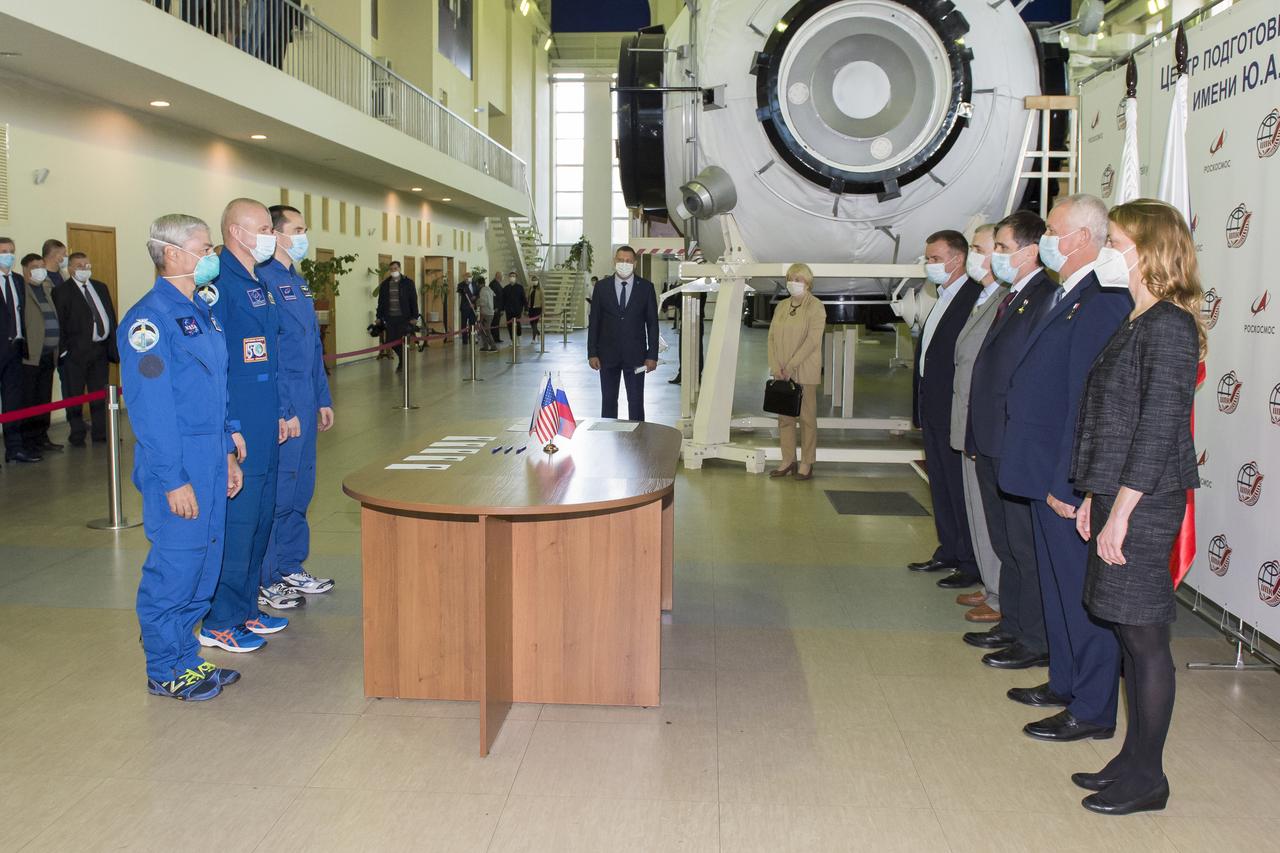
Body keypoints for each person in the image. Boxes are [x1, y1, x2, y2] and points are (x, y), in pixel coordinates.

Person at [1069, 199, 1201, 815]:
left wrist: (1121, 510)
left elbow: (1156, 428)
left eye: (1116, 241)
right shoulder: (1138, 319)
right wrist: (1096, 497)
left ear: (1147, 251)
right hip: (1122, 494)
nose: (1109, 253)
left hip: (1144, 503)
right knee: (1126, 631)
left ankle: (1150, 775)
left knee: (1145, 638)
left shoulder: (1168, 324)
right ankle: (1132, 756)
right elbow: (1112, 422)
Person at [1000, 193, 1131, 741]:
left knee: (1081, 594)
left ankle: (1094, 707)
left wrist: (1069, 482)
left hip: (1064, 475)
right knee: (1055, 587)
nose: (1046, 240)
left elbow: (1085, 402)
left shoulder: (1101, 302)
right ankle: (1064, 680)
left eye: (1052, 230)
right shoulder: (1067, 294)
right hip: (1037, 467)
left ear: (1080, 238)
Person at [124, 212, 244, 699]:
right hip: (177, 463)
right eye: (205, 247)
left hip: (211, 458)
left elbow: (216, 388)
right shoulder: (148, 321)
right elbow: (152, 412)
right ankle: (163, 667)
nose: (212, 256)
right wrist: (173, 479)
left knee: (205, 561)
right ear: (172, 253)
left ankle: (186, 657)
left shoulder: (198, 312)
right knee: (176, 565)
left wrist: (229, 451)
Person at [198, 198, 293, 654]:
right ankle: (220, 618)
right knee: (238, 523)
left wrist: (275, 413)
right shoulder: (220, 284)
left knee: (258, 520)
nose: (270, 236)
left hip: (264, 418)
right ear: (236, 231)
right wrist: (230, 428)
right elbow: (217, 366)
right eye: (262, 228)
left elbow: (266, 358)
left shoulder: (260, 280)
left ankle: (246, 608)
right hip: (240, 425)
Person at [964, 210, 1058, 669]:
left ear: (1029, 251)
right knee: (1005, 542)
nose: (995, 257)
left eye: (1001, 248)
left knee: (1023, 545)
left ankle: (1034, 638)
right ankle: (1013, 623)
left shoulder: (1043, 296)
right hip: (991, 438)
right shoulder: (1011, 296)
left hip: (1014, 442)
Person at [257, 204, 336, 611]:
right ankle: (266, 575)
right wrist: (285, 408)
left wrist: (322, 398)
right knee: (279, 490)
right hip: (285, 404)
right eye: (298, 229)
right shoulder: (264, 281)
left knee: (301, 489)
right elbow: (270, 356)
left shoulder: (297, 282)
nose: (304, 236)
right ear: (276, 233)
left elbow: (311, 349)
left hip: (307, 400)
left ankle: (290, 564)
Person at [907, 231, 981, 590]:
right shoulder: (942, 297)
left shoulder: (972, 298)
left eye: (935, 258)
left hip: (953, 412)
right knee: (939, 485)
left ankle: (968, 560)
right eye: (927, 257)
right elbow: (928, 357)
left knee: (957, 487)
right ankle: (949, 549)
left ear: (957, 259)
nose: (929, 264)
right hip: (933, 410)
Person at [948, 224, 1007, 621]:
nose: (975, 254)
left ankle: (1001, 595)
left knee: (991, 516)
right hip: (966, 418)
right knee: (975, 510)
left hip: (982, 423)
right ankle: (989, 585)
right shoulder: (982, 297)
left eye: (981, 248)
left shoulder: (1003, 299)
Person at [53, 251, 119, 447]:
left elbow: (109, 316)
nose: (85, 269)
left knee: (99, 392)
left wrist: (112, 344)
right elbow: (60, 323)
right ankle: (77, 433)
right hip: (75, 353)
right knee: (74, 393)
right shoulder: (62, 292)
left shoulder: (100, 287)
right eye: (80, 266)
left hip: (99, 350)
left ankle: (100, 432)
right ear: (71, 268)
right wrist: (64, 351)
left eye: (87, 265)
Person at [767, 263, 825, 480]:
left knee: (807, 418)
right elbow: (771, 337)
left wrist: (790, 366)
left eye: (798, 279)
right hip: (781, 371)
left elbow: (812, 341)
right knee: (785, 418)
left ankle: (807, 463)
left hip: (804, 370)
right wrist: (776, 366)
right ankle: (787, 460)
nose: (794, 282)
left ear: (808, 283)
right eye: (791, 278)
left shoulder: (816, 307)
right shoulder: (781, 306)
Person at [587, 245, 658, 421]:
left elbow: (652, 324)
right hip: (607, 356)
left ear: (634, 264)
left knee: (635, 402)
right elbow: (594, 322)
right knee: (608, 401)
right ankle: (608, 438)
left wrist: (652, 355)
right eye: (620, 260)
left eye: (627, 261)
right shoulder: (602, 288)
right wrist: (592, 353)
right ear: (614, 262)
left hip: (636, 358)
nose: (623, 264)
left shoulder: (646, 288)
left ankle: (638, 440)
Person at [20, 254, 62, 455]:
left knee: (45, 398)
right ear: (26, 270)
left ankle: (42, 437)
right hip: (31, 356)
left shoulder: (46, 289)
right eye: (35, 266)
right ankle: (29, 441)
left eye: (41, 266)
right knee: (30, 400)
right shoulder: (22, 291)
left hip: (48, 354)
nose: (39, 270)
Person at [0, 239, 37, 464]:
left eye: (12, 252)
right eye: (4, 252)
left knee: (13, 401)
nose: (9, 255)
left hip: (15, 349)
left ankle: (14, 447)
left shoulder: (16, 280)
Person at [376, 261, 418, 372]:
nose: (393, 270)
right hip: (390, 318)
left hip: (404, 318)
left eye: (395, 268)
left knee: (401, 340)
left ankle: (402, 363)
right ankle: (403, 359)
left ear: (400, 269)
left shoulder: (408, 283)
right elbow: (381, 302)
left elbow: (413, 300)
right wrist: (379, 316)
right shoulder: (385, 284)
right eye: (391, 269)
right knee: (390, 342)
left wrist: (415, 317)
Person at [475, 277, 498, 351]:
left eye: (477, 283)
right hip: (490, 312)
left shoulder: (483, 291)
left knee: (486, 330)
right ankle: (485, 346)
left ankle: (493, 346)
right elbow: (494, 296)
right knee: (482, 330)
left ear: (479, 283)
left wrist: (476, 302)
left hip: (486, 313)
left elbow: (483, 302)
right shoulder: (489, 289)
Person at [503, 271, 527, 340]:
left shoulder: (520, 287)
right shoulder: (506, 288)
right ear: (509, 278)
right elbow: (503, 299)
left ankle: (519, 336)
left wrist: (526, 309)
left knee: (517, 324)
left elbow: (524, 299)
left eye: (513, 276)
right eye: (511, 276)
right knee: (509, 325)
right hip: (508, 310)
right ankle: (512, 339)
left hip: (518, 310)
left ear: (516, 278)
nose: (512, 278)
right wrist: (502, 309)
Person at [457, 274, 478, 343]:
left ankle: (472, 338)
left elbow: (477, 293)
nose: (468, 278)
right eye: (467, 276)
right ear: (464, 277)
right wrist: (466, 284)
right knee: (464, 324)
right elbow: (461, 291)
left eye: (470, 276)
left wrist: (475, 297)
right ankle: (465, 340)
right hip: (465, 307)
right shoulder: (461, 285)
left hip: (473, 307)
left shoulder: (474, 284)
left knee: (472, 323)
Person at [488, 273, 505, 343]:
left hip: (499, 307)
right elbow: (493, 297)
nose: (502, 278)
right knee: (494, 323)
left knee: (496, 323)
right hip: (496, 308)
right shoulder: (493, 284)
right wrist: (495, 307)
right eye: (501, 276)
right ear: (498, 276)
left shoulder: (497, 283)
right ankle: (493, 338)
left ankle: (496, 338)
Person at [527, 275, 544, 340]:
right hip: (531, 308)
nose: (534, 281)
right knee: (531, 323)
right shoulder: (530, 288)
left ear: (538, 281)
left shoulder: (541, 289)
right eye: (533, 280)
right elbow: (528, 298)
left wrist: (543, 311)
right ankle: (538, 333)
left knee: (534, 323)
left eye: (535, 280)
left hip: (537, 308)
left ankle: (534, 338)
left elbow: (543, 301)